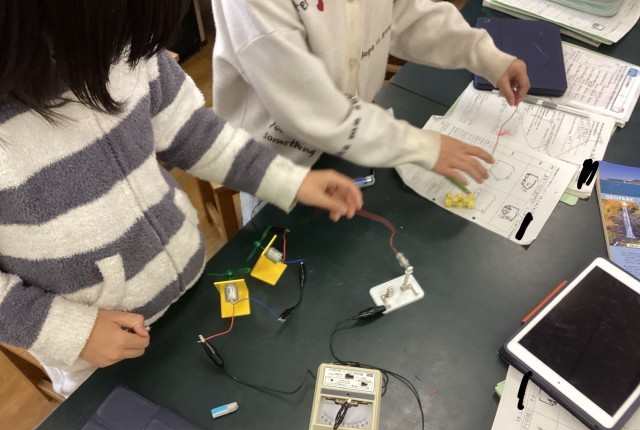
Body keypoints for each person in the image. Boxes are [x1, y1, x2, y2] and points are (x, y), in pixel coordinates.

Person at [0, 0, 362, 396]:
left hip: (192, 288)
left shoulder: (121, 36)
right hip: (99, 353)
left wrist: (287, 180)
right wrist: (71, 332)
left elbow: (192, 133)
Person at [212, 0, 530, 221]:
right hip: (281, 165)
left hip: (355, 140)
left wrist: (484, 55)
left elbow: (404, 14)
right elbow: (312, 107)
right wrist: (423, 146)